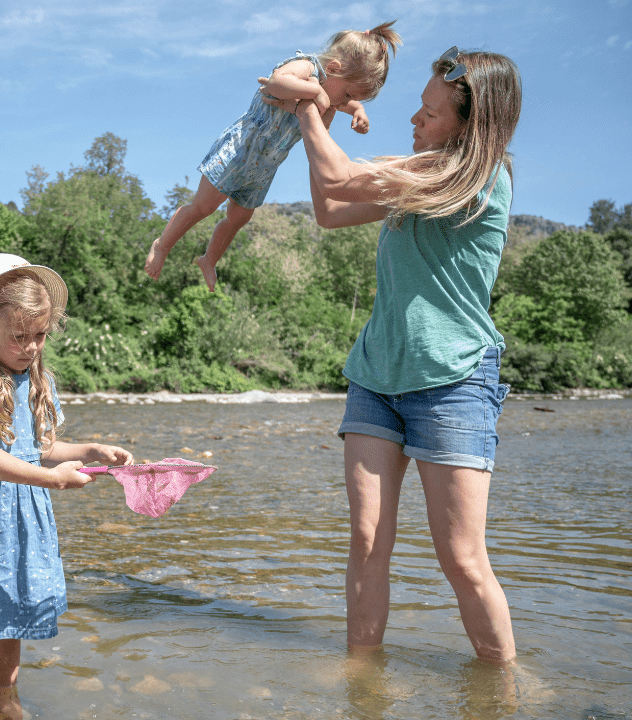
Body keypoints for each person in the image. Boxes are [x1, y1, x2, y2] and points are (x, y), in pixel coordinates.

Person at [262, 46, 522, 662]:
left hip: (454, 379)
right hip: (377, 375)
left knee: (461, 558)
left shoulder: (476, 176)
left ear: (469, 123)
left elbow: (338, 178)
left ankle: (503, 691)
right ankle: (362, 682)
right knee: (367, 537)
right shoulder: (420, 172)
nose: (415, 119)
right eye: (419, 107)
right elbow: (329, 210)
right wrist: (314, 118)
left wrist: (309, 102)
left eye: (430, 114)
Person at [0, 253, 134, 720]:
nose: (32, 346)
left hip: (22, 513)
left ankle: (1, 699)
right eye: (19, 336)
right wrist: (52, 479)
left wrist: (90, 450)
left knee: (11, 615)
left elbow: (44, 448)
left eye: (40, 335)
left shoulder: (40, 381)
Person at [144, 21, 401, 291]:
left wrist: (358, 109)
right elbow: (277, 81)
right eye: (348, 93)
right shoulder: (308, 67)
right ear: (334, 68)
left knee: (239, 217)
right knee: (204, 206)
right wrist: (314, 91)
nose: (341, 103)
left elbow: (338, 100)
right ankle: (162, 245)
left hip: (265, 166)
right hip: (242, 148)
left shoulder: (332, 90)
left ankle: (209, 259)